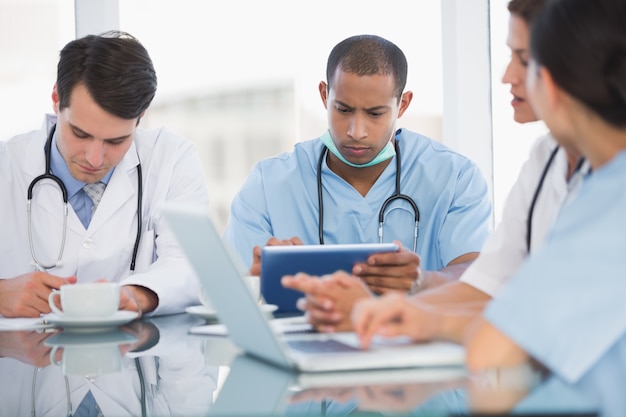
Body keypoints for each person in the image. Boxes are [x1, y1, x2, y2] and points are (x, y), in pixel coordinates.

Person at [287, 0, 587, 335]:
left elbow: (543, 311)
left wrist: (396, 311)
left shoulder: (456, 174)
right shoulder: (543, 160)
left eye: (524, 60)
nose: (505, 75)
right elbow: (486, 286)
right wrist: (394, 303)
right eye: (344, 109)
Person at [224, 34, 492, 303]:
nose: (356, 131)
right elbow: (229, 286)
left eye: (375, 114)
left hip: (416, 341)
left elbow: (478, 274)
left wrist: (420, 280)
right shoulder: (268, 183)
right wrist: (264, 275)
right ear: (324, 95)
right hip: (301, 342)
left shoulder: (456, 177)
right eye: (343, 109)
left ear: (403, 104)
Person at [463, 0, 626, 384]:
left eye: (524, 59)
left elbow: (503, 342)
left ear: (550, 82)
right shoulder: (551, 160)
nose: (507, 75)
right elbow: (498, 294)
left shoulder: (607, 200)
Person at [0, 31, 210, 318]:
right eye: (80, 133)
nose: (94, 159)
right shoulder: (6, 165)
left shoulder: (170, 159)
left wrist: (135, 295)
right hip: (26, 360)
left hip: (134, 356)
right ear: (56, 99)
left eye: (116, 141)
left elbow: (193, 264)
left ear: (141, 116)